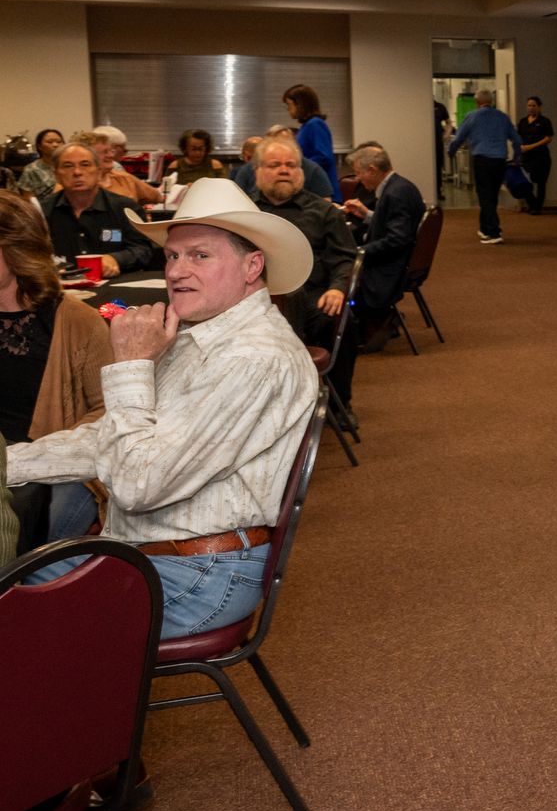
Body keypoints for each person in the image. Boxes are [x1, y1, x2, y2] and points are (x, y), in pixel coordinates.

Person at [6, 178, 318, 639]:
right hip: (157, 554)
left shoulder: (254, 358)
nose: (175, 271)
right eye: (172, 256)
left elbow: (137, 485)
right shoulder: (204, 336)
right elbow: (113, 438)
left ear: (253, 266)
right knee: (14, 582)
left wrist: (131, 365)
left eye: (200, 255)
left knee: (13, 618)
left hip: (200, 576)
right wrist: (7, 463)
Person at [0, 190, 112, 563]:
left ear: (18, 250)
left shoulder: (76, 321)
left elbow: (108, 411)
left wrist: (31, 457)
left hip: (50, 467)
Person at [251, 138, 359, 417]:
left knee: (344, 320)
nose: (284, 170)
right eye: (275, 165)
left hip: (312, 297)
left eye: (291, 165)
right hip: (253, 300)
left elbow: (344, 258)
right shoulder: (245, 213)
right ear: (258, 171)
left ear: (301, 171)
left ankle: (339, 405)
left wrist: (336, 289)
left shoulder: (324, 212)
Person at [340, 144, 424, 354]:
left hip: (389, 268)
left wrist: (360, 251)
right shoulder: (398, 187)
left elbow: (397, 239)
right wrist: (367, 214)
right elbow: (393, 226)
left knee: (339, 269)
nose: (358, 179)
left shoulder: (395, 194)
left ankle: (361, 329)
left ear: (373, 170)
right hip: (397, 261)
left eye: (359, 173)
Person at [39, 144, 161, 279]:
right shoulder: (42, 211)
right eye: (68, 166)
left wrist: (116, 259)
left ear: (98, 171)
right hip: (61, 288)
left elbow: (144, 250)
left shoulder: (124, 208)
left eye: (85, 165)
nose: (77, 172)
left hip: (115, 287)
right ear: (56, 174)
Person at [448, 89, 520, 243]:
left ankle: (494, 232)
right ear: (491, 101)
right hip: (500, 160)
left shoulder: (472, 116)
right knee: (492, 195)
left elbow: (458, 138)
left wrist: (451, 152)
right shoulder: (503, 117)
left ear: (477, 102)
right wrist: (516, 157)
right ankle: (484, 228)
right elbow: (517, 140)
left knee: (484, 195)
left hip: (482, 159)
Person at [282, 83, 341, 200]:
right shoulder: (306, 126)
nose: (288, 109)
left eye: (289, 105)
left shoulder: (315, 124)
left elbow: (324, 156)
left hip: (321, 188)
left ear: (300, 105)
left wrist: (297, 165)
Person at [76, 128, 161, 205]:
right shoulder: (74, 185)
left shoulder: (125, 179)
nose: (111, 155)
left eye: (110, 150)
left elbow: (158, 197)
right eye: (105, 152)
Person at [516, 96, 555, 215]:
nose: (531, 108)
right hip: (526, 157)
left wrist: (532, 146)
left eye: (534, 106)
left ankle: (537, 207)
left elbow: (549, 138)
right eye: (529, 105)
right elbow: (517, 137)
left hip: (541, 156)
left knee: (541, 182)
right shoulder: (523, 122)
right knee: (525, 181)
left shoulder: (544, 121)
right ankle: (532, 203)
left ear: (539, 107)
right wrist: (520, 147)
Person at [14, 129, 63, 200]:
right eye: (50, 142)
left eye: (59, 142)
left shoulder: (70, 166)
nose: (55, 145)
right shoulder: (31, 169)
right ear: (39, 146)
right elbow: (28, 199)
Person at [433, 98, 451, 202]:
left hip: (437, 142)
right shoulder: (421, 106)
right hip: (424, 143)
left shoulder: (440, 107)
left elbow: (448, 122)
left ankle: (438, 191)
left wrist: (447, 134)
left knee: (437, 166)